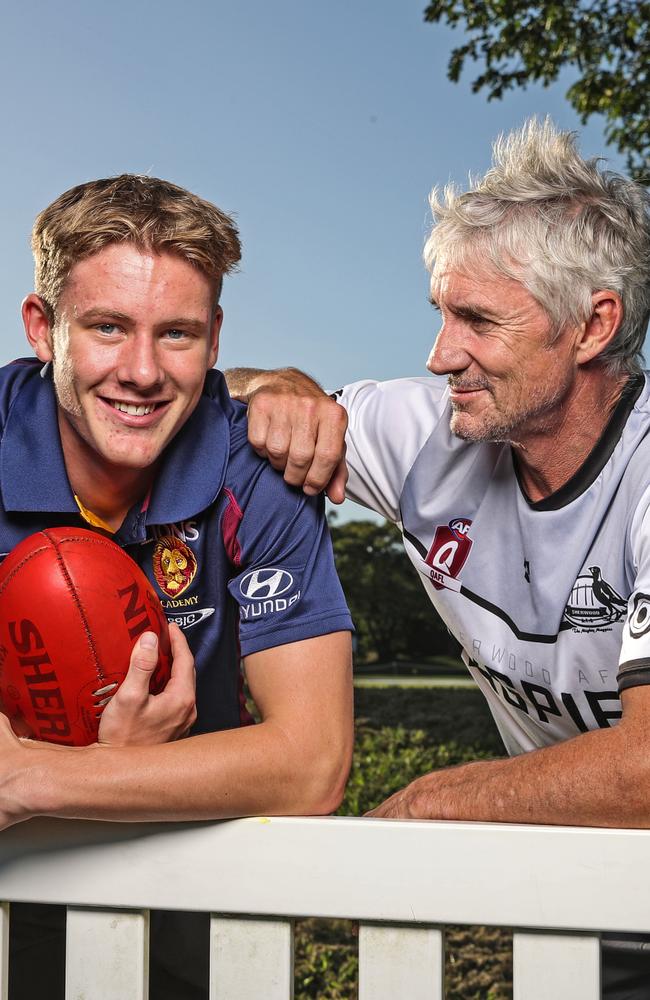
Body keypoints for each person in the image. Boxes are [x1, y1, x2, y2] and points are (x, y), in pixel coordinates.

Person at [226, 119, 650, 997]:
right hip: (583, 905)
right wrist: (280, 388)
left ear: (592, 325)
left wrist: (434, 803)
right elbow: (196, 403)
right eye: (440, 313)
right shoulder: (437, 430)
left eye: (478, 320)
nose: (438, 355)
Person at [0, 174, 353, 999]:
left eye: (179, 334)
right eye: (107, 327)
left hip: (185, 874)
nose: (142, 371)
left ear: (217, 338)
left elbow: (312, 761)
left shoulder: (255, 470)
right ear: (43, 328)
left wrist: (36, 778)